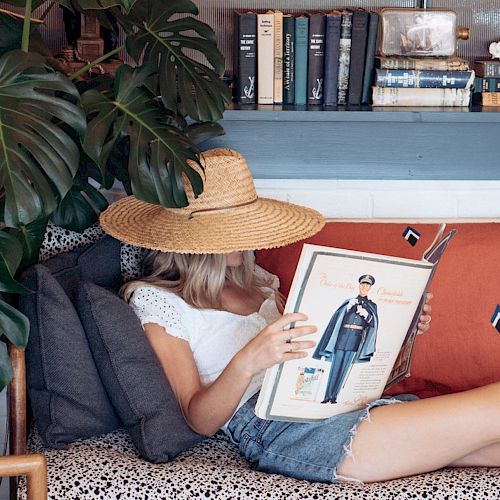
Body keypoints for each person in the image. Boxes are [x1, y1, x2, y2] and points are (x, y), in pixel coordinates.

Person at [100, 148, 500, 484]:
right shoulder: (157, 301)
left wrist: (401, 329)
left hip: (337, 406)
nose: (248, 234)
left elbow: (323, 352)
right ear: (195, 241)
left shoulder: (256, 278)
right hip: (282, 432)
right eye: (233, 226)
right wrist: (250, 358)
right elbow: (199, 419)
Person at [312, 274, 378, 404]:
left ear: (370, 288)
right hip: (342, 338)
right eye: (363, 284)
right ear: (359, 285)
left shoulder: (372, 306)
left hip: (355, 340)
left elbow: (373, 324)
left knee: (344, 369)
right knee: (335, 368)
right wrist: (348, 308)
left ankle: (334, 397)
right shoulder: (349, 302)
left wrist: (366, 315)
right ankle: (327, 397)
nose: (364, 287)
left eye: (367, 285)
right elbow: (337, 319)